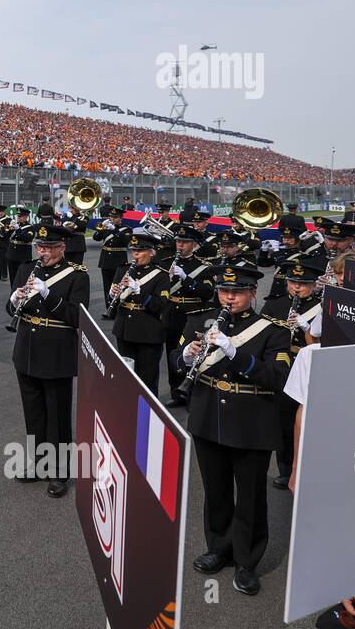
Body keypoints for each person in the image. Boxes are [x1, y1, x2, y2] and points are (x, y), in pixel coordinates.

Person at [177, 264, 291, 596]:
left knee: (251, 495)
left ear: (253, 293)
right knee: (216, 490)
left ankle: (247, 560)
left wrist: (234, 353)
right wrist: (185, 356)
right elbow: (175, 357)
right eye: (225, 291)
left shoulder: (274, 331)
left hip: (251, 422)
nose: (230, 297)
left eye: (238, 292)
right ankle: (220, 548)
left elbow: (277, 378)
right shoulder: (202, 321)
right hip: (208, 416)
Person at [6, 223, 91, 496]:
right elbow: (12, 308)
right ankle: (39, 465)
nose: (43, 252)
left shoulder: (77, 276)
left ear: (62, 247)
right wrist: (13, 299)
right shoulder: (26, 269)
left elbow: (77, 317)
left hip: (56, 354)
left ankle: (59, 472)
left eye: (49, 248)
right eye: (40, 247)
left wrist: (47, 293)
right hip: (27, 351)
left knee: (57, 417)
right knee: (34, 414)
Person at [260, 255, 326, 489]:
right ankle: (286, 468)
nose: (297, 287)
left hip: (308, 365)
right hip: (281, 367)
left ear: (314, 284)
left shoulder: (323, 306)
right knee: (284, 421)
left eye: (304, 283)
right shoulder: (274, 305)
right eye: (293, 282)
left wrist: (306, 327)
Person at [108, 231, 170, 396]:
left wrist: (139, 291)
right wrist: (112, 294)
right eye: (134, 250)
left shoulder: (161, 276)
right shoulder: (123, 270)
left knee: (147, 380)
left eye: (140, 251)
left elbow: (159, 306)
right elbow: (115, 305)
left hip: (148, 332)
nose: (135, 254)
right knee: (127, 377)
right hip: (125, 330)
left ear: (151, 252)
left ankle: (147, 416)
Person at [162, 225, 217, 408]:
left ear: (193, 244)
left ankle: (193, 393)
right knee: (173, 354)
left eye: (184, 242)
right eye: (178, 241)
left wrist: (186, 278)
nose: (180, 245)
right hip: (171, 314)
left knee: (194, 354)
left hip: (193, 316)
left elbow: (207, 292)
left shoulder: (203, 267)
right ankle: (176, 392)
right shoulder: (166, 262)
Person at [93, 205, 132, 307]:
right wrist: (101, 228)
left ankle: (117, 308)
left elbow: (126, 241)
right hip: (105, 261)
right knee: (107, 286)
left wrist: (115, 230)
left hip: (118, 261)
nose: (112, 219)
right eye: (111, 217)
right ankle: (108, 308)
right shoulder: (106, 227)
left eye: (115, 217)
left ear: (120, 218)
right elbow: (96, 238)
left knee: (118, 286)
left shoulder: (127, 229)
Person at [5, 205, 34, 291]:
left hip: (22, 256)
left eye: (21, 216)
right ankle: (13, 293)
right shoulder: (15, 226)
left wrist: (18, 230)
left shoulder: (30, 228)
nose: (19, 218)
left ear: (26, 217)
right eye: (18, 216)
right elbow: (5, 236)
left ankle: (23, 294)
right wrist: (9, 228)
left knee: (22, 278)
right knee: (12, 277)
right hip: (11, 255)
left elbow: (27, 239)